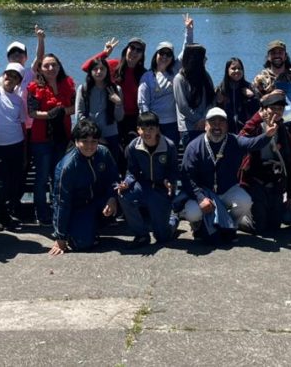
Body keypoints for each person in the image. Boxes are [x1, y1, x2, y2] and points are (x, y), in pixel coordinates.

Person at [181, 107, 277, 245]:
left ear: (227, 125)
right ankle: (197, 227)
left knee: (245, 201)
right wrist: (201, 198)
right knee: (192, 212)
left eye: (221, 122)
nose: (217, 126)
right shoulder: (194, 147)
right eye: (212, 122)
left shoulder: (234, 140)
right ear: (205, 125)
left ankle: (229, 225)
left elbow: (252, 143)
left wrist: (267, 135)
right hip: (204, 192)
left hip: (226, 190)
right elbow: (187, 177)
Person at [49, 120, 120, 255]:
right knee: (81, 244)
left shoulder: (104, 153)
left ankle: (95, 225)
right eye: (84, 141)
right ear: (76, 141)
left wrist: (112, 198)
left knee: (126, 195)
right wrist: (60, 237)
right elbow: (61, 203)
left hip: (99, 201)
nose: (89, 146)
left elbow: (114, 178)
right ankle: (80, 230)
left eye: (94, 141)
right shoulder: (67, 167)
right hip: (79, 207)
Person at [239, 90, 291, 234]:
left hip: (275, 182)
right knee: (259, 228)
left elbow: (289, 161)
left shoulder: (282, 129)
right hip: (255, 181)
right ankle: (235, 218)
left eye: (280, 109)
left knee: (275, 227)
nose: (276, 112)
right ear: (263, 109)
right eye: (273, 108)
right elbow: (241, 139)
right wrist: (258, 118)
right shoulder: (255, 126)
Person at [26, 53, 76, 225]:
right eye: (46, 65)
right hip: (41, 139)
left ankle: (58, 210)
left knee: (59, 177)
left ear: (59, 66)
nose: (50, 68)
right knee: (41, 178)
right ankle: (41, 212)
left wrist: (61, 112)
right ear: (40, 68)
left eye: (53, 65)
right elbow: (32, 112)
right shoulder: (33, 87)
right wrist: (50, 115)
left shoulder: (68, 84)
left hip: (62, 138)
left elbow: (74, 107)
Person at [117, 112, 179, 248]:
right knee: (123, 195)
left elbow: (174, 170)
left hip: (161, 189)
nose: (147, 132)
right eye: (143, 128)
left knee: (163, 237)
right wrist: (126, 183)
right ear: (138, 130)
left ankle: (173, 219)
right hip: (143, 185)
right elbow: (131, 171)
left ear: (158, 129)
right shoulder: (133, 146)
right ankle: (141, 234)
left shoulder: (169, 146)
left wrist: (169, 181)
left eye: (151, 128)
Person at [0, 50, 28, 232]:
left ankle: (6, 215)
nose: (11, 78)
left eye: (15, 77)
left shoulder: (18, 100)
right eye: (9, 74)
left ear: (19, 81)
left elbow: (23, 126)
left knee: (13, 182)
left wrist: (24, 153)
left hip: (16, 144)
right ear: (3, 75)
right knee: (0, 182)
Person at [138, 15, 195, 144]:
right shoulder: (147, 77)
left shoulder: (175, 70)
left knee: (171, 153)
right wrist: (148, 125)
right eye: (161, 53)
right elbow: (142, 103)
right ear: (156, 55)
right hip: (154, 125)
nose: (164, 56)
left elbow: (187, 50)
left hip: (172, 124)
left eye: (168, 54)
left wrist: (189, 30)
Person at [81, 36, 148, 144]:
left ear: (142, 55)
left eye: (139, 50)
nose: (134, 52)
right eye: (132, 47)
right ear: (126, 49)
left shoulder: (144, 74)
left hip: (133, 118)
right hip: (112, 115)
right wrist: (105, 53)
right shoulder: (113, 65)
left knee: (130, 148)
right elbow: (86, 67)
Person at [74, 56, 125, 164]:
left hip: (110, 134)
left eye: (102, 69)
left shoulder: (116, 89)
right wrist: (94, 135)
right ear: (90, 72)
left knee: (111, 166)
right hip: (90, 136)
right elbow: (79, 115)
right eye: (95, 69)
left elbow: (119, 118)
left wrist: (118, 103)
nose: (99, 72)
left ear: (107, 71)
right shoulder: (83, 89)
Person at [174, 43, 217, 148]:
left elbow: (212, 99)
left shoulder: (206, 76)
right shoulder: (179, 79)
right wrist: (198, 120)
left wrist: (205, 119)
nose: (206, 59)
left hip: (206, 126)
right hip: (189, 128)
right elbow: (183, 106)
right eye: (203, 57)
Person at [214, 57, 260, 135]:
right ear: (227, 70)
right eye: (233, 68)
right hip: (226, 133)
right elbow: (214, 112)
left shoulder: (250, 87)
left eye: (239, 68)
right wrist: (219, 102)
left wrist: (252, 97)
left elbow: (258, 110)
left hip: (247, 132)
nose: (237, 71)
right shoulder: (220, 90)